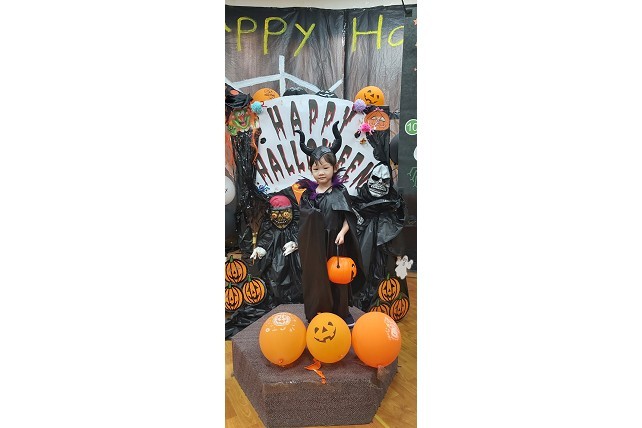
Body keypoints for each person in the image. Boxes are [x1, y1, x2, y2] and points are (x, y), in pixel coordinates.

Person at [294, 122, 365, 327]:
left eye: (325, 168)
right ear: (311, 170)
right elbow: (305, 220)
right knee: (317, 278)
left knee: (338, 275)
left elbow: (349, 217)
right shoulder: (308, 195)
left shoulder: (340, 192)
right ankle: (318, 311)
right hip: (316, 244)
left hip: (336, 242)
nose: (321, 172)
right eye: (316, 169)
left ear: (334, 168)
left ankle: (341, 312)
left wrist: (342, 233)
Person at [249, 191, 303, 305]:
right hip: (273, 265)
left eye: (285, 214)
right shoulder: (269, 228)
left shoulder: (296, 226)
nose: (280, 218)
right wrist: (261, 249)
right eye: (275, 214)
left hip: (294, 266)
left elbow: (304, 238)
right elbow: (266, 239)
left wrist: (296, 243)